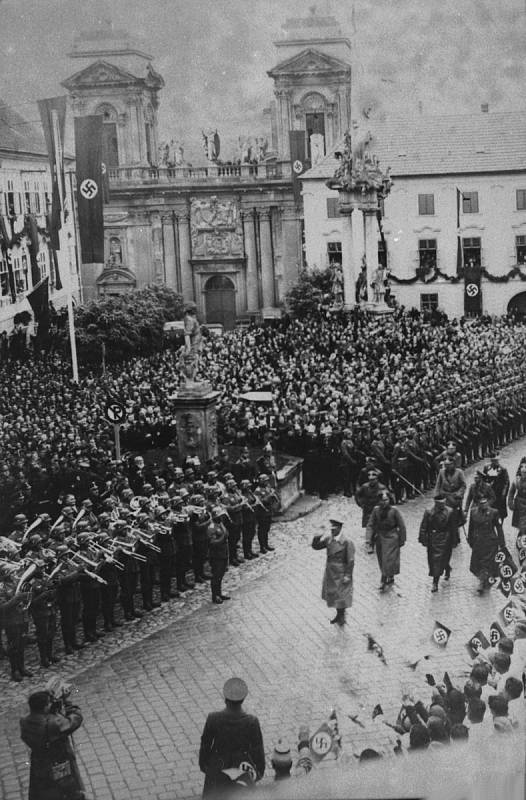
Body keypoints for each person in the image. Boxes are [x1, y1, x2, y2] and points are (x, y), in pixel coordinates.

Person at [199, 677, 265, 798]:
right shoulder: (251, 722)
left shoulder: (213, 718)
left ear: (225, 699)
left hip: (217, 770)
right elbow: (258, 752)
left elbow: (205, 746)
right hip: (241, 771)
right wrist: (255, 774)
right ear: (243, 700)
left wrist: (207, 768)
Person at [20, 686, 86, 800]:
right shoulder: (54, 724)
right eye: (49, 703)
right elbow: (76, 719)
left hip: (39, 762)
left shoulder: (25, 721)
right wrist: (66, 702)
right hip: (59, 761)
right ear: (45, 707)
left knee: (45, 791)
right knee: (69, 790)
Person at [311, 519, 355, 626]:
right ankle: (339, 614)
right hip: (331, 572)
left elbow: (351, 560)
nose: (332, 532)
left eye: (334, 529)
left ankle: (342, 615)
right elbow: (316, 546)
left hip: (341, 572)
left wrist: (348, 575)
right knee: (333, 595)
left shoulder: (347, 542)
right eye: (331, 529)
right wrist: (317, 535)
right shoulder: (329, 539)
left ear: (340, 528)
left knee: (341, 596)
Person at [366, 491, 406, 591]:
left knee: (388, 559)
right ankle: (389, 575)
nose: (384, 502)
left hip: (392, 537)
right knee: (381, 559)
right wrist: (368, 539)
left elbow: (402, 526)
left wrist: (402, 539)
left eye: (386, 500)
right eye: (382, 500)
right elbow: (370, 524)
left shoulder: (394, 510)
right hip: (380, 537)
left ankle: (383, 579)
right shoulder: (376, 510)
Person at [418, 493, 457, 592]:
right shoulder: (429, 512)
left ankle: (444, 572)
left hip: (446, 538)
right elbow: (423, 527)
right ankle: (436, 580)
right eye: (440, 503)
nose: (442, 505)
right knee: (434, 561)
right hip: (433, 539)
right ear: (436, 503)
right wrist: (423, 539)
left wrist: (454, 540)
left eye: (444, 503)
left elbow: (453, 527)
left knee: (443, 558)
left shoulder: (450, 512)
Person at [468, 496, 505, 595]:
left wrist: (502, 544)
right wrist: (470, 540)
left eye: (485, 502)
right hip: (478, 541)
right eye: (481, 502)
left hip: (490, 541)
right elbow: (471, 528)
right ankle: (484, 579)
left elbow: (499, 528)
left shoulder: (494, 512)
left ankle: (482, 582)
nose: (483, 504)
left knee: (487, 563)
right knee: (477, 563)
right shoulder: (473, 512)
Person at [207, 507, 230, 605]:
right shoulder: (211, 527)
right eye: (220, 516)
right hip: (216, 554)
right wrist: (223, 537)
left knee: (221, 575)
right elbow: (212, 542)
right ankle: (215, 595)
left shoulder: (220, 524)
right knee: (216, 575)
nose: (222, 518)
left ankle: (219, 593)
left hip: (223, 552)